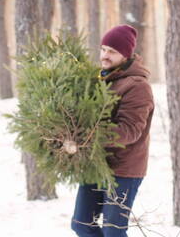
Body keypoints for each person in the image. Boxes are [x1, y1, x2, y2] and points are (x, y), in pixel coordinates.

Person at [71, 25, 154, 237]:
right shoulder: (103, 79)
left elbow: (130, 130)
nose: (105, 56)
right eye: (104, 49)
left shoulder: (137, 86)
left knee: (113, 231)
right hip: (97, 164)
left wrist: (90, 137)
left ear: (126, 55)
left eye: (112, 51)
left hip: (124, 168)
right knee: (81, 224)